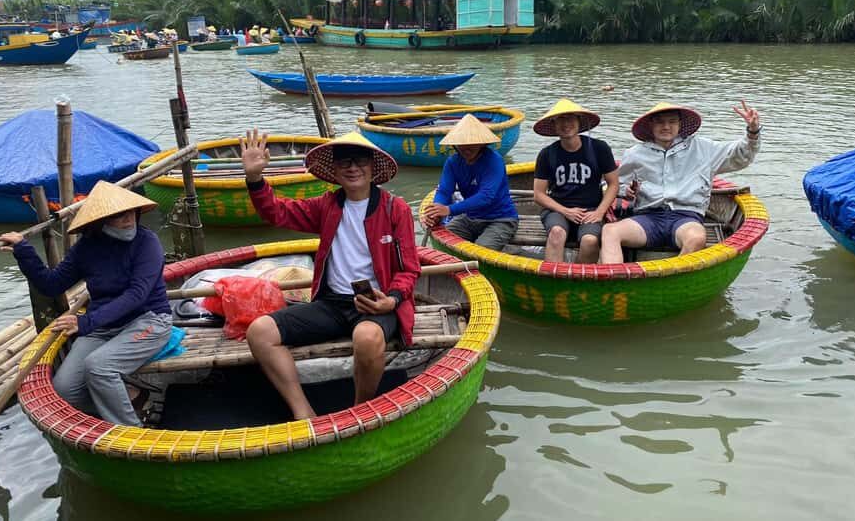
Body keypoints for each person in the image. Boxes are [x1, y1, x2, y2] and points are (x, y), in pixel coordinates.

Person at [242, 131, 420, 419]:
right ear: (334, 171)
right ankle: (304, 411)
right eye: (344, 161)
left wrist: (391, 299)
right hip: (332, 304)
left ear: (372, 166)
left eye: (360, 160)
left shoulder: (394, 209)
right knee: (259, 332)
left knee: (366, 338)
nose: (352, 167)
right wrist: (255, 179)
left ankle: (359, 409)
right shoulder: (327, 206)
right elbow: (277, 212)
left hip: (377, 304)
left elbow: (410, 268)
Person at [0, 181, 171, 426]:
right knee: (65, 389)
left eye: (131, 212)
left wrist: (86, 322)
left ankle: (131, 432)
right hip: (103, 326)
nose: (128, 219)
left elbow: (137, 295)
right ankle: (133, 398)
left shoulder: (147, 242)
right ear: (103, 220)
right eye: (119, 215)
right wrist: (24, 251)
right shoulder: (86, 248)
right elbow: (51, 284)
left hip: (148, 320)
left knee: (99, 366)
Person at [600, 101, 762, 263]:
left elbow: (740, 155)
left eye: (672, 121)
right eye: (660, 122)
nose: (666, 126)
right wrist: (625, 191)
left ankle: (673, 280)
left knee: (696, 238)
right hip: (647, 218)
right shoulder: (635, 153)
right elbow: (616, 184)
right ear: (651, 125)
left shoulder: (702, 148)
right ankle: (613, 286)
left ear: (680, 124)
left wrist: (752, 132)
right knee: (610, 231)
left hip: (685, 217)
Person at [532, 98, 619, 263]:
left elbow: (613, 183)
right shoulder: (547, 154)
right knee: (556, 233)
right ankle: (554, 281)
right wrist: (566, 211)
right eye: (560, 120)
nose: (566, 124)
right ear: (554, 125)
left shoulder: (599, 148)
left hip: (591, 210)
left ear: (579, 121)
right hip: (558, 210)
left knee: (590, 241)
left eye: (570, 118)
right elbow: (539, 195)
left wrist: (600, 212)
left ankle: (579, 281)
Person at [421, 114, 518, 250]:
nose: (467, 147)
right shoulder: (453, 162)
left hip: (500, 219)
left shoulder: (493, 160)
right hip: (470, 218)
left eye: (472, 143)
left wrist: (449, 209)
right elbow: (444, 191)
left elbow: (486, 196)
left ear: (482, 143)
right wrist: (436, 211)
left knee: (481, 250)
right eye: (462, 143)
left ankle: (511, 252)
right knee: (445, 240)